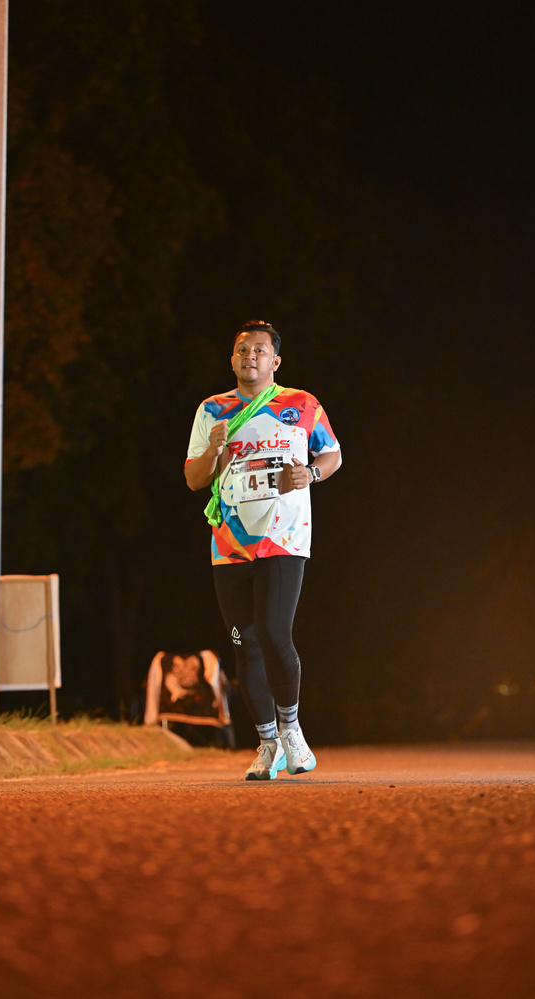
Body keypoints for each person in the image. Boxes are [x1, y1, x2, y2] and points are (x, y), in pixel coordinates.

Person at [185, 320, 341, 780]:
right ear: (232, 358)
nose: (249, 356)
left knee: (273, 633)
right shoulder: (212, 410)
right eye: (241, 349)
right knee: (243, 642)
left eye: (258, 350)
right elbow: (194, 479)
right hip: (229, 544)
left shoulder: (302, 403)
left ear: (275, 360)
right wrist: (213, 452)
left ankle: (292, 731)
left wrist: (311, 473)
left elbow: (332, 454)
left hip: (284, 537)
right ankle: (268, 744)